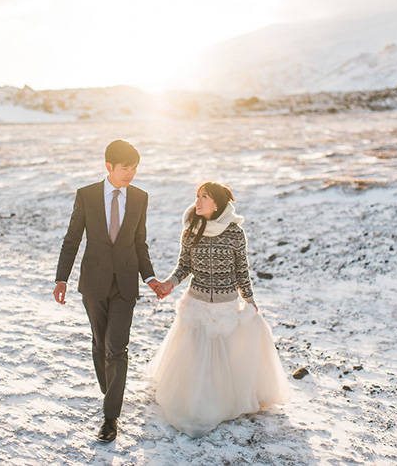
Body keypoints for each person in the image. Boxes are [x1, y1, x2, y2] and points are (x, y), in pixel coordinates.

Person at [149, 182, 290, 438]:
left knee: (223, 361)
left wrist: (249, 299)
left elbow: (241, 271)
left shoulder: (235, 233)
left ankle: (223, 400)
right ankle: (197, 399)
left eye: (204, 197)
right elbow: (184, 266)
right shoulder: (191, 231)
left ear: (218, 204)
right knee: (196, 360)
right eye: (197, 196)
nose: (198, 202)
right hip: (197, 305)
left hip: (225, 306)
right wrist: (169, 283)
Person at [53, 140, 162, 443]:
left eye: (135, 167)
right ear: (109, 167)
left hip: (126, 283)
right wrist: (61, 279)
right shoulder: (86, 196)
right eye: (125, 167)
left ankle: (110, 417)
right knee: (100, 342)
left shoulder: (140, 198)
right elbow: (72, 239)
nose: (131, 173)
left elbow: (140, 242)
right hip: (94, 282)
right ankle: (109, 385)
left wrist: (150, 277)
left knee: (117, 348)